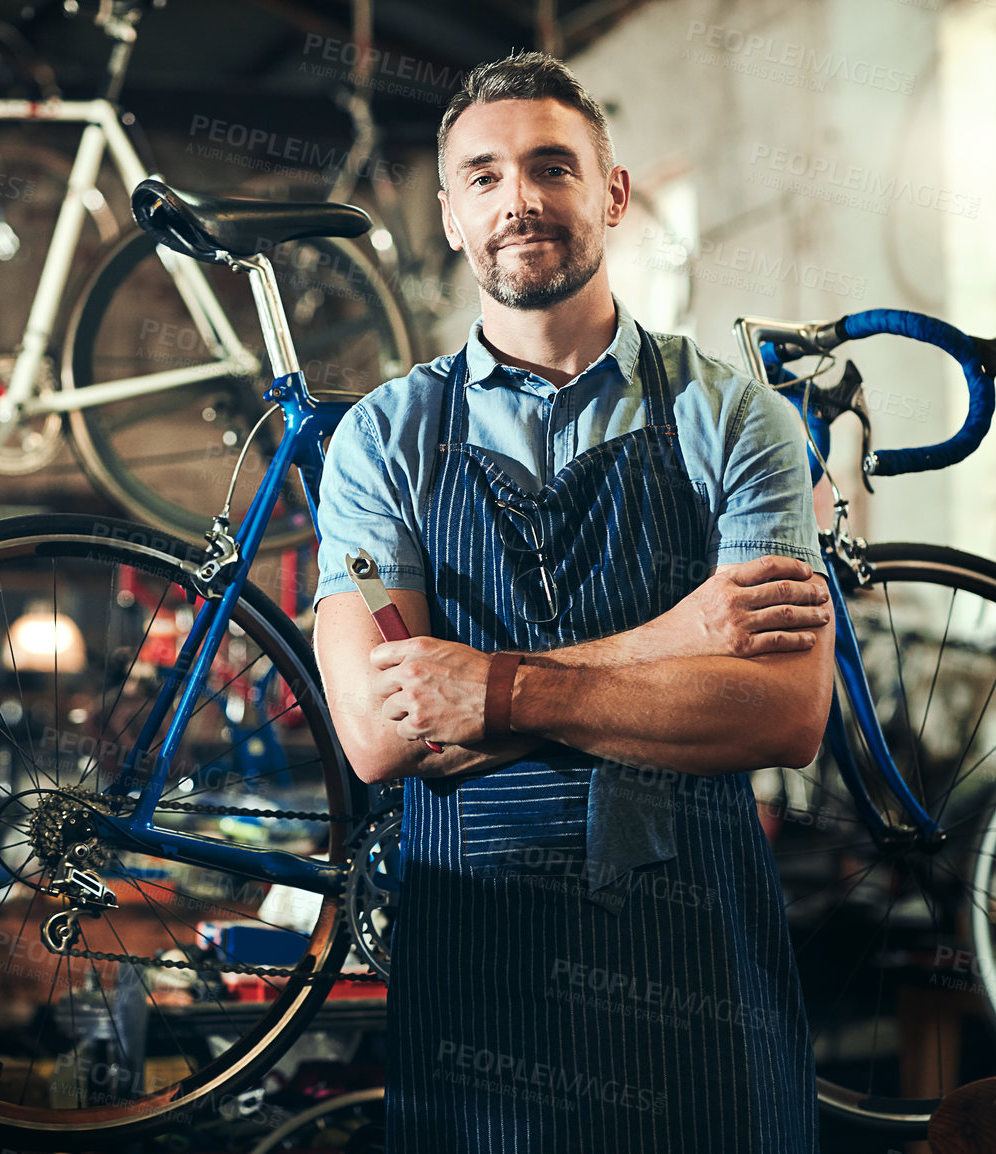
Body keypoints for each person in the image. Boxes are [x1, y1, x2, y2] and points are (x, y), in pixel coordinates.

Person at [312, 53, 836, 1153]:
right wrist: (676, 641)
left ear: (612, 192)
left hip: (697, 969)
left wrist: (486, 687)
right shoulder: (384, 439)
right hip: (475, 968)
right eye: (485, 176)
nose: (521, 200)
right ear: (451, 215)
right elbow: (378, 730)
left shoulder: (739, 422)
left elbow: (780, 715)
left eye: (553, 166)